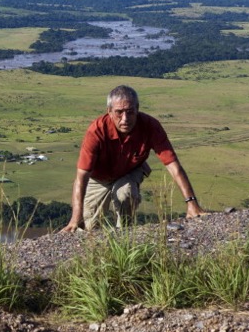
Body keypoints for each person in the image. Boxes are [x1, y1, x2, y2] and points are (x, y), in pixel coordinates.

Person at [62, 85, 205, 232]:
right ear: (109, 111)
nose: (125, 119)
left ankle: (125, 234)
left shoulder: (150, 126)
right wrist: (75, 218)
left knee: (126, 194)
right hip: (98, 178)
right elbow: (81, 176)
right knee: (88, 227)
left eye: (130, 112)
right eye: (119, 112)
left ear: (137, 109)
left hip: (130, 171)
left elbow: (173, 165)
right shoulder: (97, 131)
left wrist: (191, 203)